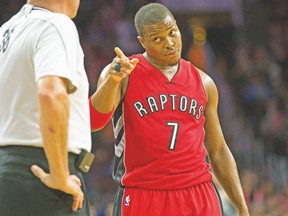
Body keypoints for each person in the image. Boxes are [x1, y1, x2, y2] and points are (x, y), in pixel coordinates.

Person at [89, 3, 249, 216]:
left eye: (172, 32)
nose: (169, 43)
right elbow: (94, 122)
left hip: (198, 193)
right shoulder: (122, 72)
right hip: (144, 193)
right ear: (142, 42)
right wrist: (111, 82)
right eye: (157, 38)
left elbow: (218, 151)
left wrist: (242, 207)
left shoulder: (204, 82)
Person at [0, 1, 92, 215]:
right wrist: (60, 175)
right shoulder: (57, 24)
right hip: (44, 174)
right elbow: (50, 94)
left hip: (6, 172)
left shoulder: (5, 32)